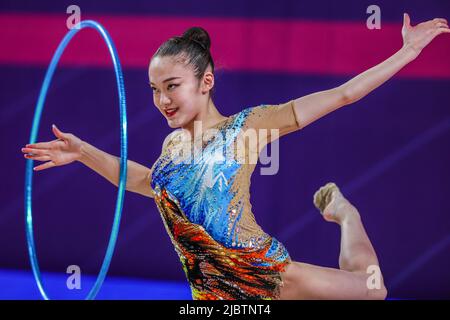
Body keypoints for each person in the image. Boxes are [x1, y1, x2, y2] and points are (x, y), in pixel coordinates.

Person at [21, 13, 449, 300]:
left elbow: (343, 95)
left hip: (270, 279)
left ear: (206, 81)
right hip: (210, 297)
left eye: (172, 86)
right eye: (154, 89)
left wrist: (408, 51)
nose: (162, 100)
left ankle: (347, 215)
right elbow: (141, 182)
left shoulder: (248, 128)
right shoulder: (172, 148)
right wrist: (81, 152)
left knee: (374, 290)